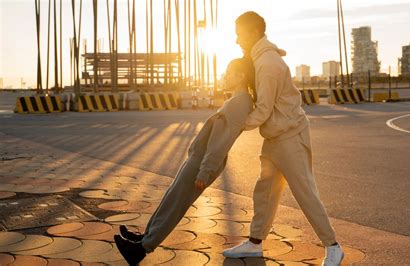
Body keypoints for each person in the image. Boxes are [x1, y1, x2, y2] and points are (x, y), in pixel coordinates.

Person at [222, 11, 344, 266]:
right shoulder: (262, 58)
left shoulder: (267, 64)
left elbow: (263, 110)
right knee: (264, 191)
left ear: (254, 33)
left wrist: (235, 127)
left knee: (305, 193)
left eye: (240, 34)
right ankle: (255, 243)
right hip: (275, 136)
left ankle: (333, 246)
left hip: (289, 136)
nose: (237, 40)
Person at [114, 58, 254, 265]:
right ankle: (145, 236)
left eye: (229, 73)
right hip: (198, 157)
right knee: (171, 197)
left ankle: (142, 249)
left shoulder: (240, 103)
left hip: (204, 162)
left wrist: (205, 171)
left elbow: (221, 141)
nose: (224, 77)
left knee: (176, 205)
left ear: (241, 75)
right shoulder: (235, 100)